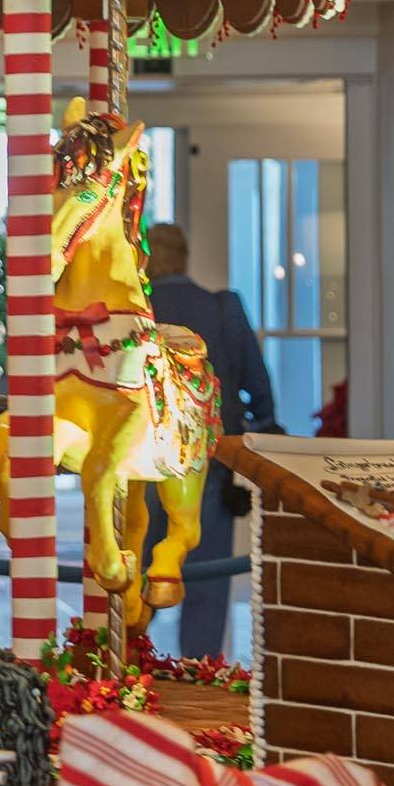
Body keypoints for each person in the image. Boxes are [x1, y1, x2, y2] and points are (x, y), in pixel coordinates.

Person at [143, 223, 276, 658]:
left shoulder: (134, 309)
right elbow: (259, 388)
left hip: (141, 464)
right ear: (184, 257)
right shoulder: (222, 308)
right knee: (205, 581)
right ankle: (198, 675)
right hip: (208, 463)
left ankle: (124, 677)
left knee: (139, 577)